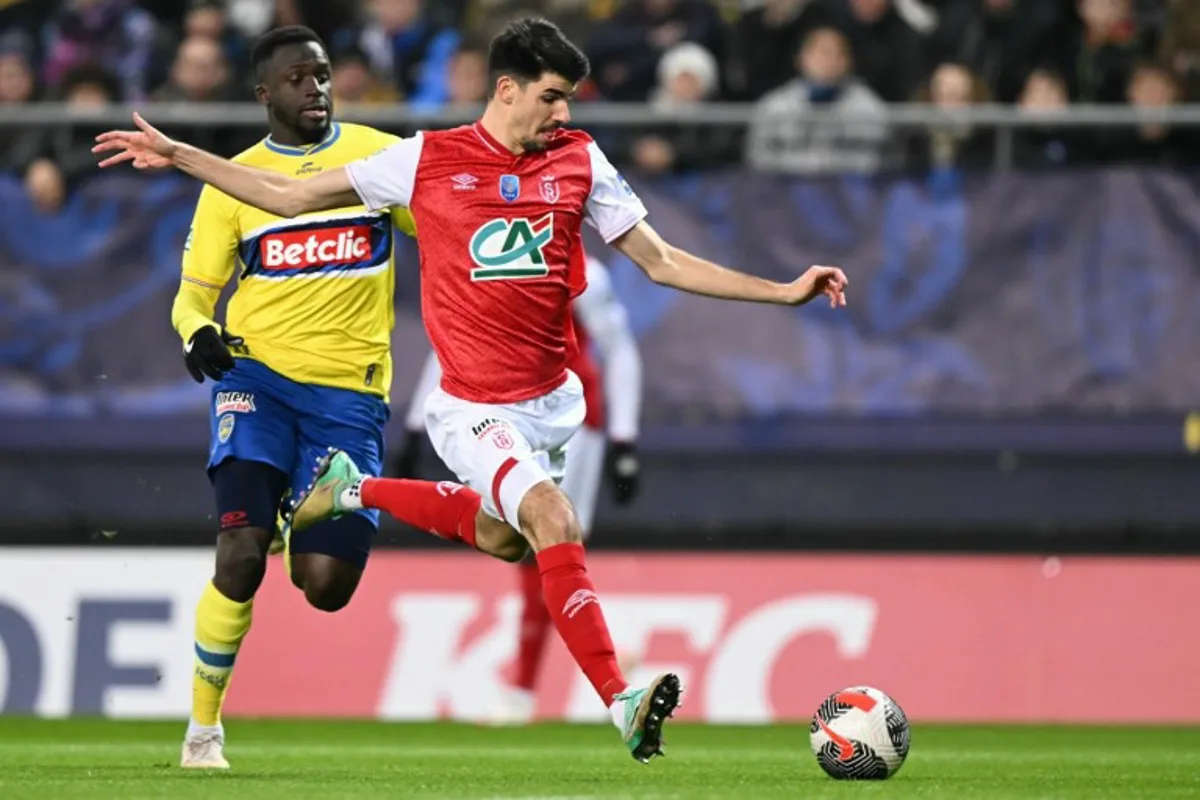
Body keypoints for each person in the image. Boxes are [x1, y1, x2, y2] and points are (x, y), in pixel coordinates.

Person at [93, 16, 848, 763]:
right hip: (469, 407)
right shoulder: (423, 161)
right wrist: (182, 155)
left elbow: (661, 260)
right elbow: (285, 196)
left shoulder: (581, 160)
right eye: (554, 97)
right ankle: (620, 699)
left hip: (550, 406)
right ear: (509, 89)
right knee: (554, 518)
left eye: (571, 100)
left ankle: (355, 489)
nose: (565, 114)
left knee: (504, 539)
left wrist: (781, 292)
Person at [163, 25, 418, 769]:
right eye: (300, 78)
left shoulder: (379, 156)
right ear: (264, 94)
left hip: (348, 396)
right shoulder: (233, 181)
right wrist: (196, 332)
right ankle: (203, 732)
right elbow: (191, 296)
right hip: (256, 381)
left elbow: (441, 222)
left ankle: (293, 520)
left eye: (325, 75)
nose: (318, 89)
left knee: (325, 585)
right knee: (239, 554)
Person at [396, 253, 644, 725]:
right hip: (496, 411)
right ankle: (605, 654)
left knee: (543, 542)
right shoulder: (477, 256)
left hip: (565, 423)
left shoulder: (581, 269)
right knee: (523, 540)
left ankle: (522, 695)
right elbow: (451, 343)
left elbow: (619, 347)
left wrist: (624, 439)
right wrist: (413, 427)